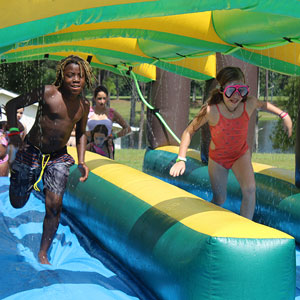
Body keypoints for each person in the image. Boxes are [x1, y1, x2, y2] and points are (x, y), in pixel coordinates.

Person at [169, 66, 292, 220]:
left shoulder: (249, 104)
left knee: (250, 190)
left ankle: (245, 227)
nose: (236, 96)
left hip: (240, 155)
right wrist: (181, 159)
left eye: (241, 90)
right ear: (221, 90)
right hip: (218, 159)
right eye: (230, 91)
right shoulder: (211, 110)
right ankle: (209, 224)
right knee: (220, 199)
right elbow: (188, 132)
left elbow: (264, 105)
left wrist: (284, 115)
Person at [5, 55, 93, 264]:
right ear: (61, 76)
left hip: (58, 157)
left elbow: (81, 133)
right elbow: (11, 105)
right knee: (17, 203)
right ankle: (21, 180)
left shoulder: (84, 105)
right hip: (31, 150)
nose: (75, 80)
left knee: (55, 205)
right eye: (70, 75)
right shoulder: (47, 93)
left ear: (86, 79)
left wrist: (81, 161)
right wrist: (15, 134)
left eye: (80, 76)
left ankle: (43, 253)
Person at [87, 85, 131, 159]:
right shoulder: (88, 112)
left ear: (107, 98)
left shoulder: (112, 112)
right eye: (99, 98)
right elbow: (76, 127)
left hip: (107, 147)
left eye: (104, 98)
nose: (102, 101)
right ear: (94, 98)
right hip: (90, 147)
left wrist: (114, 136)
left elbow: (127, 128)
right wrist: (87, 134)